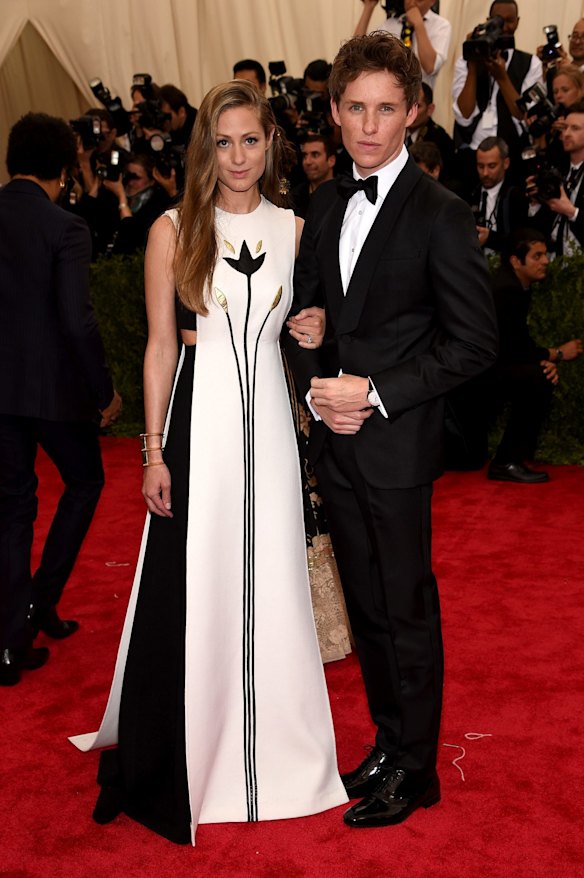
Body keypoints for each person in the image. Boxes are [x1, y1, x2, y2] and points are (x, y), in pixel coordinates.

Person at [70, 80, 348, 845]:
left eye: (250, 140)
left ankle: (287, 754)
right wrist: (152, 449)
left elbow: (313, 331)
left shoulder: (296, 229)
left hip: (272, 434)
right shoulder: (172, 228)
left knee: (275, 584)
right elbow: (161, 346)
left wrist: (314, 326)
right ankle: (191, 750)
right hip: (199, 429)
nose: (237, 156)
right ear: (205, 148)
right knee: (194, 587)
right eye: (223, 142)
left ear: (272, 145)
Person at [283, 31, 498, 828]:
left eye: (386, 109)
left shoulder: (441, 214)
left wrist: (374, 393)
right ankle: (388, 741)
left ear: (412, 112)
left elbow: (475, 343)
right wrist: (315, 394)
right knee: (367, 606)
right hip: (333, 441)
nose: (369, 126)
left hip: (396, 443)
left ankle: (419, 769)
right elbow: (302, 323)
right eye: (355, 109)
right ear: (335, 114)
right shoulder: (328, 201)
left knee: (404, 606)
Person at [0, 113, 121, 686]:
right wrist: (105, 393)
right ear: (65, 166)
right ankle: (36, 605)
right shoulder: (66, 227)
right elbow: (77, 322)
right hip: (51, 393)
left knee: (11, 507)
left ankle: (10, 637)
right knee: (86, 482)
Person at [487, 228, 582, 483]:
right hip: (475, 374)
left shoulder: (513, 284)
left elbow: (516, 344)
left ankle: (513, 457)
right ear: (516, 261)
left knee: (538, 373)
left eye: (545, 255)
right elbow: (510, 348)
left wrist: (542, 358)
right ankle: (506, 461)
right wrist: (557, 354)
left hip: (486, 367)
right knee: (539, 379)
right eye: (537, 256)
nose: (546, 261)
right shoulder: (506, 290)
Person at [452, 1, 542, 189]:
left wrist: (502, 77)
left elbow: (523, 115)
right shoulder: (466, 59)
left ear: (517, 22)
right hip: (473, 152)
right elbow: (464, 114)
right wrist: (473, 67)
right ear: (488, 21)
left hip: (511, 155)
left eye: (509, 21)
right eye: (498, 21)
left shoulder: (531, 63)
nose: (504, 27)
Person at [354, 0, 452, 90]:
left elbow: (430, 67)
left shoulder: (441, 25)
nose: (412, 3)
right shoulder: (390, 24)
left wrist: (418, 24)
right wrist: (368, 7)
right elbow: (357, 51)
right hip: (389, 91)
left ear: (432, 1)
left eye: (419, 0)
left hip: (420, 98)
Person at [529, 99, 584, 256]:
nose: (566, 134)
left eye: (575, 128)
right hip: (553, 263)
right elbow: (539, 227)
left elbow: (568, 212)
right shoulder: (557, 170)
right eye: (565, 127)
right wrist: (535, 203)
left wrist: (571, 212)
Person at [469, 136, 528, 253]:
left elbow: (521, 242)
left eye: (491, 166)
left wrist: (490, 238)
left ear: (506, 163)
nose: (485, 173)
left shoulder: (516, 197)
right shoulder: (469, 194)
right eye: (480, 166)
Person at [290, 134, 337, 218]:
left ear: (331, 161)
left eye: (315, 155)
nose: (307, 162)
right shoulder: (295, 197)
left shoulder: (345, 194)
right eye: (305, 156)